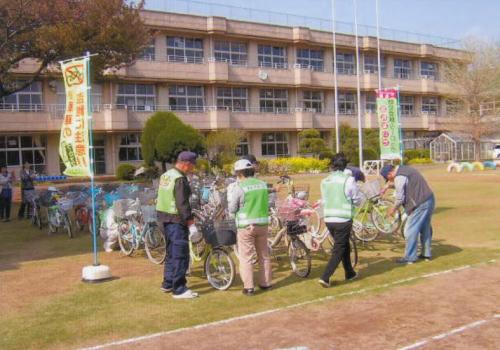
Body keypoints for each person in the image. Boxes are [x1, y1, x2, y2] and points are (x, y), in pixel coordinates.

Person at [156, 151, 201, 299]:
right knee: (180, 254)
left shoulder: (166, 175)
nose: (193, 169)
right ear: (186, 164)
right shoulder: (180, 179)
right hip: (176, 220)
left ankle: (168, 283)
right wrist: (191, 223)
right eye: (192, 166)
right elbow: (182, 203)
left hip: (163, 218)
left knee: (171, 253)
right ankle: (179, 288)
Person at [228, 159, 272, 296]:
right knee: (264, 255)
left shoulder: (239, 187)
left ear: (240, 172)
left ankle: (249, 287)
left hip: (246, 226)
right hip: (263, 224)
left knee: (246, 257)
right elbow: (268, 201)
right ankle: (265, 283)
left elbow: (232, 208)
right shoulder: (263, 184)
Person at [318, 153, 362, 288]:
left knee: (344, 245)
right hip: (343, 219)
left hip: (329, 218)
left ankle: (349, 273)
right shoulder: (348, 180)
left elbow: (324, 199)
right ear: (345, 166)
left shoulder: (325, 180)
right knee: (339, 248)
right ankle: (325, 277)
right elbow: (356, 199)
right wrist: (357, 202)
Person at [381, 164, 435, 264]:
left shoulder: (399, 176)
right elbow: (406, 184)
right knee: (425, 228)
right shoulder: (404, 169)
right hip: (429, 199)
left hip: (420, 203)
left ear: (389, 174)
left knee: (410, 230)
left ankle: (410, 257)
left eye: (388, 179)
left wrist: (392, 209)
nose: (389, 180)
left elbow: (400, 198)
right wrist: (388, 186)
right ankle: (426, 254)